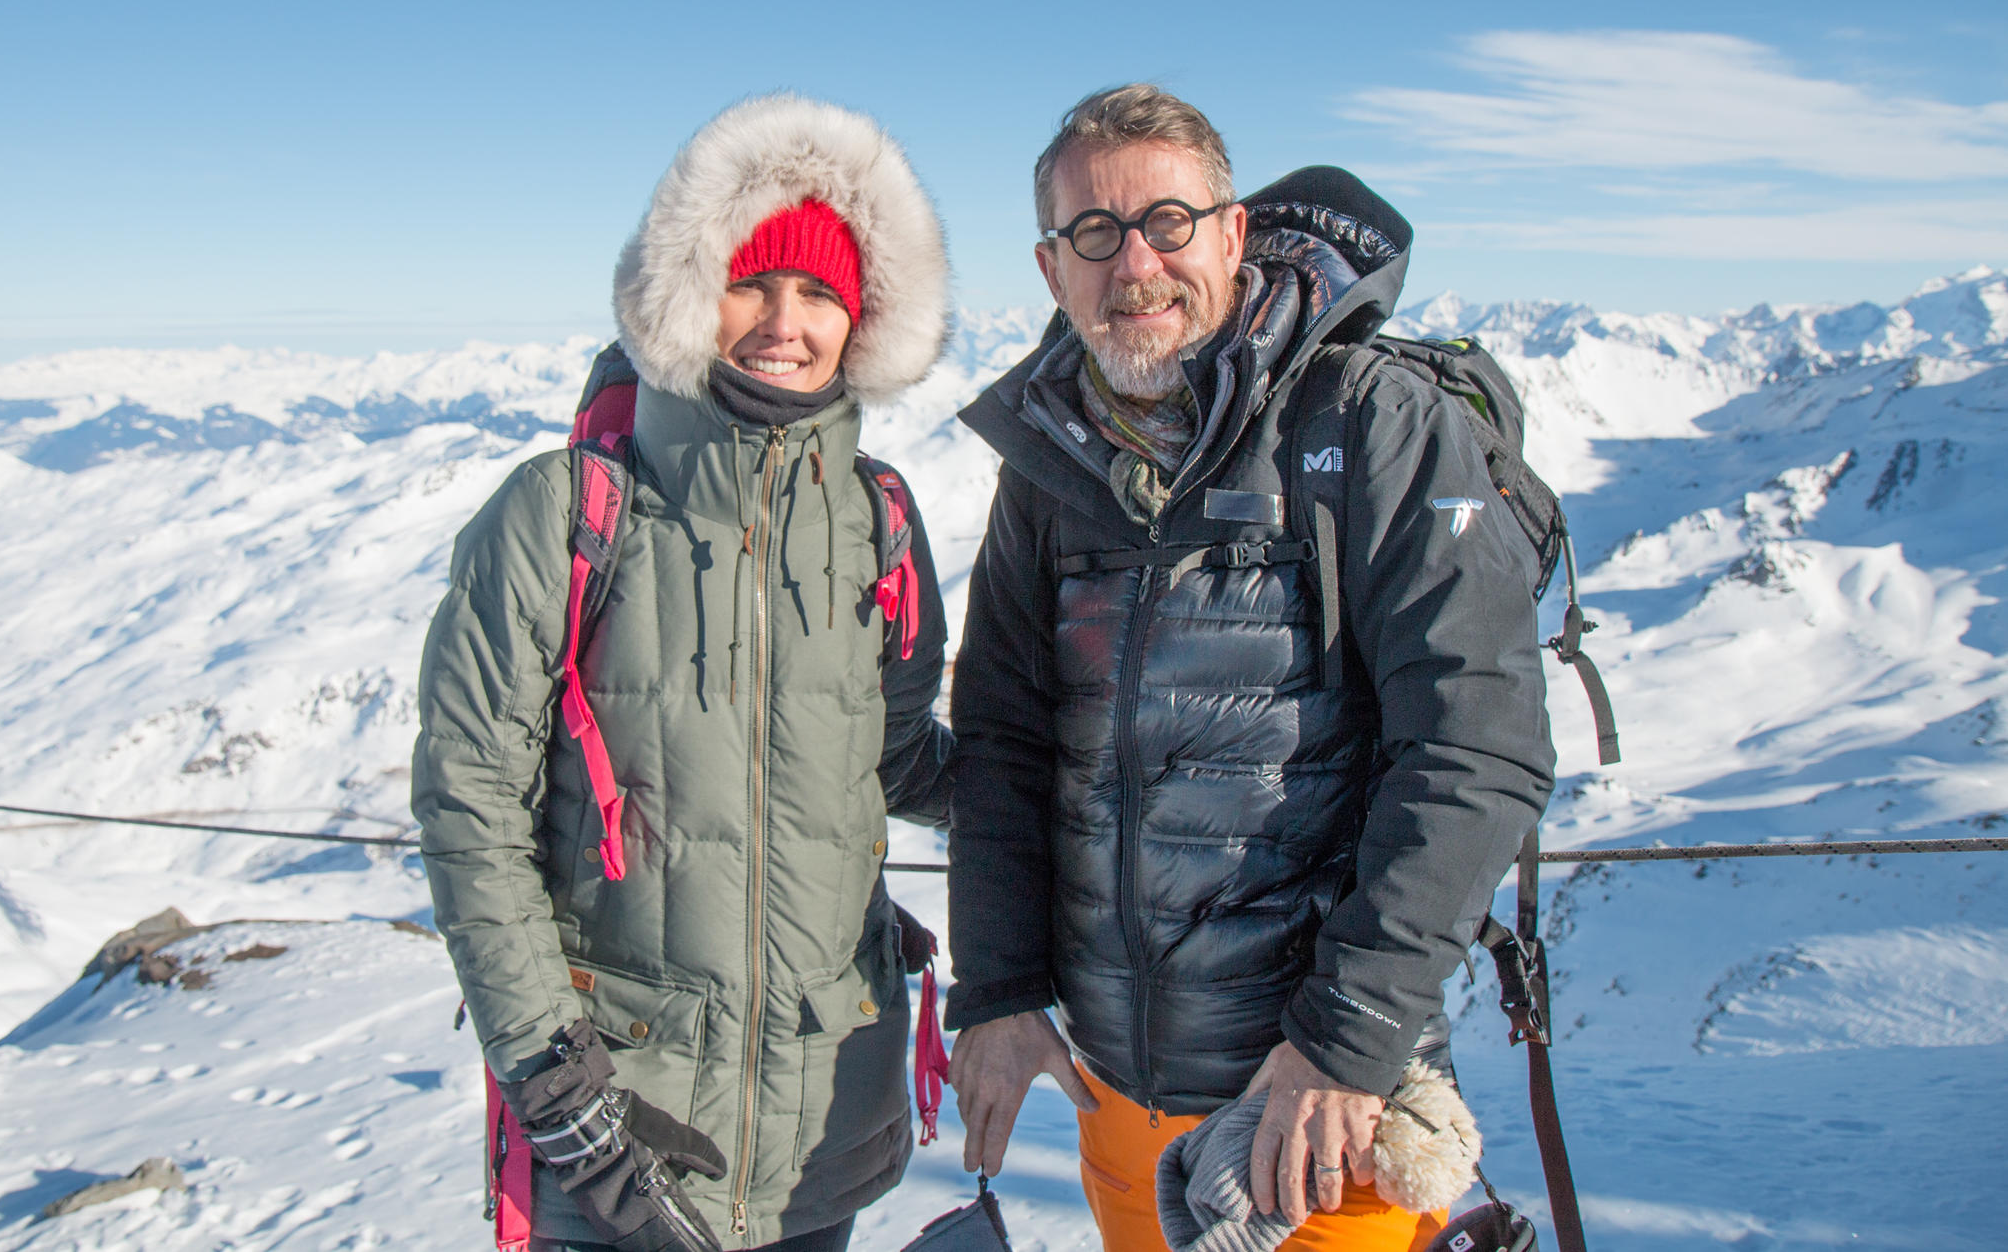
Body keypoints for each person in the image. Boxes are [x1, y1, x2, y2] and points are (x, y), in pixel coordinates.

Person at [942, 85, 1556, 1252]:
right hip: (1117, 1090)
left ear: (1231, 233)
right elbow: (1005, 737)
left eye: (1167, 222)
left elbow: (1476, 742)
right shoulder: (1049, 460)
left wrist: (1345, 1038)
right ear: (1049, 267)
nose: (1134, 262)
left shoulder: (1368, 419)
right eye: (1094, 233)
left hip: (1319, 1101)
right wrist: (1000, 989)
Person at [413, 94, 958, 1252]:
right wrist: (560, 1094)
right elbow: (471, 812)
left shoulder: (880, 525)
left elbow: (903, 760)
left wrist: (1116, 784)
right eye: (751, 282)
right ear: (687, 294)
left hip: (823, 1125)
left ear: (860, 319)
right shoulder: (558, 515)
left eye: (818, 292)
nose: (783, 322)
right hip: (621, 1133)